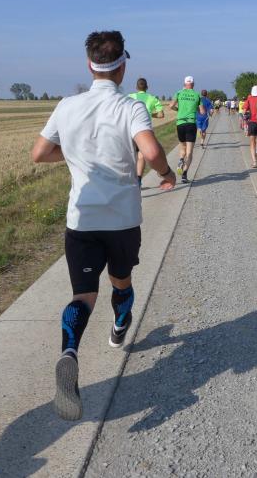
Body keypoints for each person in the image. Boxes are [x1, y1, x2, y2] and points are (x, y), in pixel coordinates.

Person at [32, 31, 176, 421]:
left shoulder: (67, 106)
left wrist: (73, 154)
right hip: (123, 221)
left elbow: (39, 153)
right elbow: (151, 150)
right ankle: (119, 325)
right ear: (122, 66)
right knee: (121, 282)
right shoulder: (130, 107)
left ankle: (69, 350)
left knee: (82, 295)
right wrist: (167, 173)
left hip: (81, 221)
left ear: (89, 65)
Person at [128, 78, 165, 187]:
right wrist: (151, 114)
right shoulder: (153, 99)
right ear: (147, 87)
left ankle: (128, 179)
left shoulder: (129, 97)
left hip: (129, 130)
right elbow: (161, 115)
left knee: (129, 156)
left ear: (136, 87)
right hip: (144, 132)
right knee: (141, 156)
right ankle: (138, 180)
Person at [169, 76, 205, 183]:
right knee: (189, 152)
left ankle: (181, 160)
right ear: (193, 84)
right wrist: (197, 109)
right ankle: (184, 175)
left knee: (182, 147)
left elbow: (171, 106)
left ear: (184, 84)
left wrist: (179, 110)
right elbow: (202, 112)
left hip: (180, 123)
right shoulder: (197, 95)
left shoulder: (179, 93)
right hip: (191, 123)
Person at [244, 85, 257, 167]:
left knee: (252, 142)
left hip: (252, 122)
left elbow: (244, 111)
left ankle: (254, 162)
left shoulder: (249, 98)